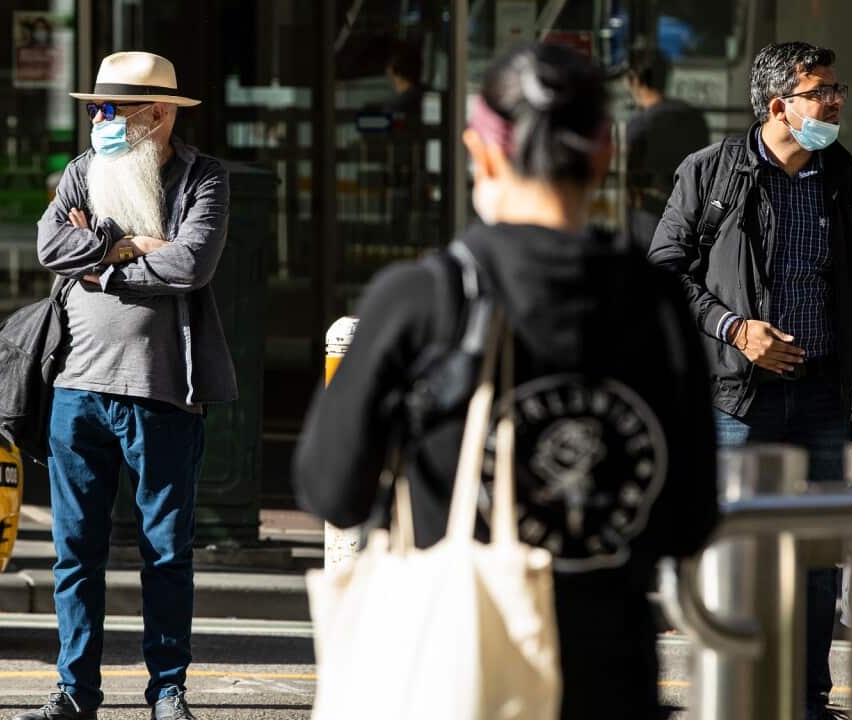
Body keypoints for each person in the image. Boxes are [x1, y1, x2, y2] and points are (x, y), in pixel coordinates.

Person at [293, 43, 718, 720]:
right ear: (605, 153)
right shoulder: (656, 302)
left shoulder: (422, 298)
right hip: (610, 677)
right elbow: (690, 519)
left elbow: (330, 489)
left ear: (480, 152)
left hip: (454, 672)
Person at [649, 41, 852, 720]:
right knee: (730, 553)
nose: (836, 101)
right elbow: (663, 270)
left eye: (837, 88)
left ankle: (808, 698)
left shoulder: (844, 177)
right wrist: (734, 329)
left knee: (818, 559)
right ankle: (729, 696)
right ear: (780, 104)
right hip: (735, 398)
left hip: (819, 396)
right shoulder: (711, 172)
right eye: (821, 91)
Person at [20, 51, 236, 720]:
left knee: (166, 552)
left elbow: (191, 263)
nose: (99, 119)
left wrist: (104, 268)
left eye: (114, 110)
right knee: (74, 554)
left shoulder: (205, 178)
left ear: (161, 114)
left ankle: (167, 690)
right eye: (95, 108)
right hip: (76, 390)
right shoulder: (83, 171)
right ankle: (75, 692)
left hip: (163, 394)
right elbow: (52, 248)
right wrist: (127, 242)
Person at [624, 47, 709, 252]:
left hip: (649, 216)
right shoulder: (694, 117)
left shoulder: (639, 123)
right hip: (691, 213)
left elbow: (628, 171)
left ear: (635, 79)